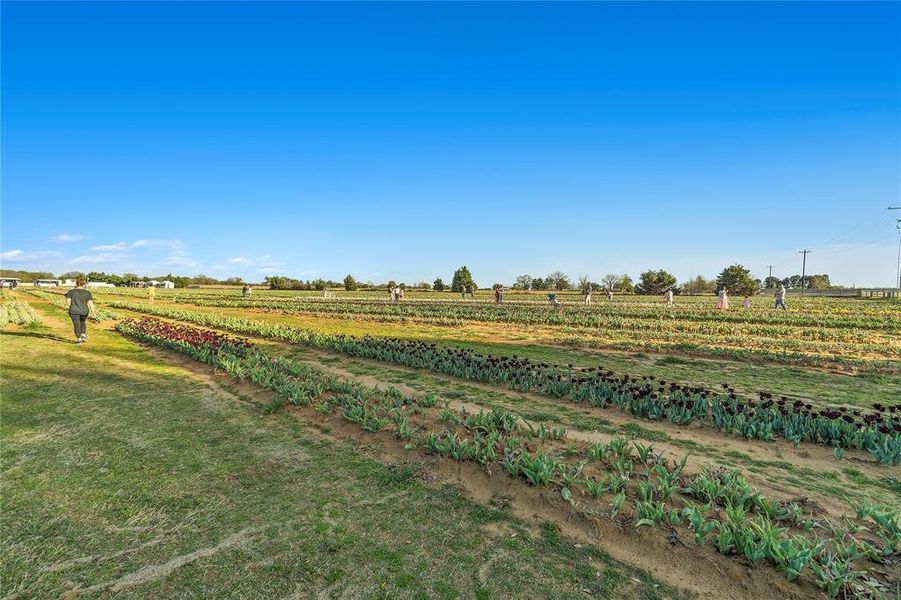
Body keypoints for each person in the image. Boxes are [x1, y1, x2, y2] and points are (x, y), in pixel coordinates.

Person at [65, 278, 96, 345]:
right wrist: (93, 312)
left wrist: (72, 305)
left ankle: (79, 339)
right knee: (82, 322)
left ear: (77, 283)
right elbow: (90, 303)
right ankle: (83, 334)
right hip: (84, 311)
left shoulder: (71, 291)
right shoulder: (87, 293)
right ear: (84, 284)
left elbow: (68, 302)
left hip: (74, 311)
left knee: (77, 324)